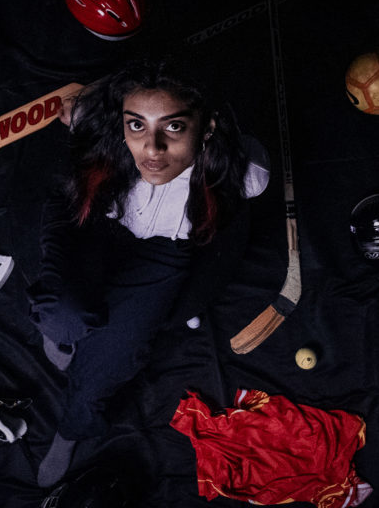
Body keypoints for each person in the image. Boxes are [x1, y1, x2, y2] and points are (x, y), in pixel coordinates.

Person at [26, 57, 270, 487]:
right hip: (93, 223)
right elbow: (83, 113)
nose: (152, 150)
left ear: (206, 126)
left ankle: (71, 430)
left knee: (112, 358)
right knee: (64, 316)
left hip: (163, 254)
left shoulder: (245, 173)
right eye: (137, 125)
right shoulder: (100, 126)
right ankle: (59, 329)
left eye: (173, 127)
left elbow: (248, 162)